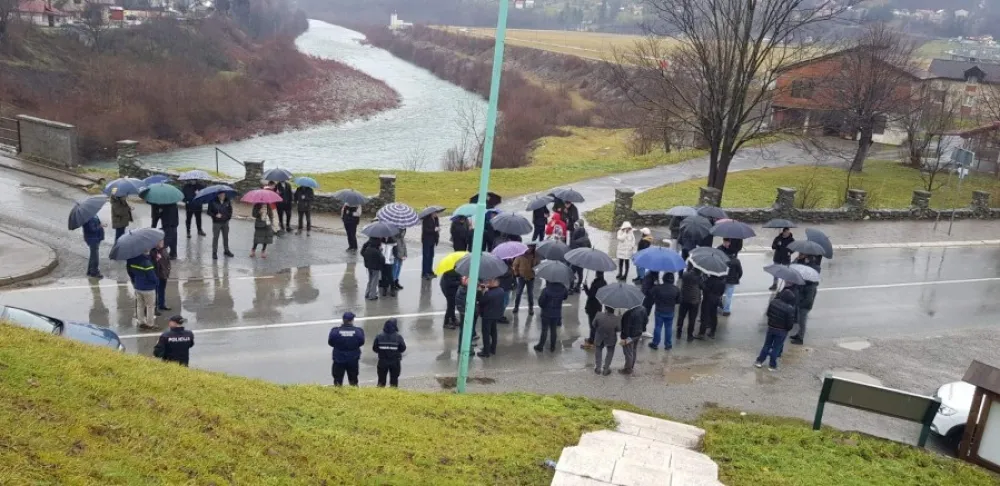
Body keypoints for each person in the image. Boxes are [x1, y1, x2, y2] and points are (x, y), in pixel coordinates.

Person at [755, 289, 797, 371]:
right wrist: (787, 329)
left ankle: (759, 361)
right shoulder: (790, 308)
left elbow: (768, 313)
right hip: (782, 331)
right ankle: (772, 365)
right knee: (776, 348)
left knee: (767, 345)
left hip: (771, 327)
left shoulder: (773, 302)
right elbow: (790, 323)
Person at [328, 312, 366, 386]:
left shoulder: (335, 331)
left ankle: (337, 396)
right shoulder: (358, 331)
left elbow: (330, 342)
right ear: (352, 320)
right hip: (353, 359)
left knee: (338, 382)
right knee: (353, 381)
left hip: (338, 359)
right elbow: (361, 342)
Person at [126, 250, 159, 329]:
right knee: (150, 306)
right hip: (148, 288)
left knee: (140, 305)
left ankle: (141, 322)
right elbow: (152, 276)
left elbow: (131, 272)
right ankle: (150, 324)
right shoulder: (147, 263)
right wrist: (157, 282)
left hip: (138, 286)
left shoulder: (132, 261)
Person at [534, 279, 569, 352]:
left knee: (544, 330)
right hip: (556, 313)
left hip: (546, 313)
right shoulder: (563, 288)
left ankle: (540, 346)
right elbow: (565, 297)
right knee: (553, 330)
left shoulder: (546, 289)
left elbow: (541, 302)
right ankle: (552, 346)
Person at [648, 273, 680, 350]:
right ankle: (668, 345)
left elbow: (650, 293)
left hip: (659, 310)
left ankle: (655, 343)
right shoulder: (676, 289)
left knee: (658, 327)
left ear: (663, 279)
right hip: (670, 311)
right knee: (668, 328)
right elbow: (679, 301)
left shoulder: (658, 288)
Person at [373, 318, 407, 387]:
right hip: (395, 362)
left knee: (381, 381)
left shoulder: (379, 336)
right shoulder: (398, 337)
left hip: (382, 361)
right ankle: (393, 396)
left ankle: (379, 396)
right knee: (394, 381)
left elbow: (375, 348)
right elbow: (403, 348)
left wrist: (382, 352)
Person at [478, 279, 504, 358]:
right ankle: (493, 349)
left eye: (489, 282)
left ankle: (486, 352)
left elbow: (481, 301)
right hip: (496, 314)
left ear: (493, 283)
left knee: (486, 333)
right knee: (494, 332)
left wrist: (481, 292)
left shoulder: (489, 294)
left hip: (487, 316)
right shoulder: (501, 290)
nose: (487, 283)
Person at [581, 272, 607, 349]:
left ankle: (592, 341)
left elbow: (590, 294)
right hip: (598, 306)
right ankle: (593, 338)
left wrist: (585, 286)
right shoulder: (604, 282)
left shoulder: (595, 283)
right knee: (595, 323)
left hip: (592, 306)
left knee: (592, 324)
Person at [619, 305, 647, 374]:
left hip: (629, 336)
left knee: (628, 352)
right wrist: (643, 329)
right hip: (638, 334)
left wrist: (624, 338)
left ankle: (628, 369)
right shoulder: (643, 309)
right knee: (633, 350)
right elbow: (645, 321)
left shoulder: (628, 313)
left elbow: (626, 327)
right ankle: (631, 366)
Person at [678, 264, 702, 342]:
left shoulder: (685, 274)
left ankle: (679, 332)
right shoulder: (699, 278)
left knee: (681, 316)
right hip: (694, 301)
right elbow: (703, 287)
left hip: (684, 299)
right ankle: (689, 335)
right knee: (692, 319)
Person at [593, 306, 620, 375]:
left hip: (599, 336)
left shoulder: (599, 314)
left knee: (598, 350)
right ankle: (606, 368)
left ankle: (598, 368)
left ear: (605, 308)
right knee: (610, 351)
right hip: (611, 338)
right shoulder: (617, 318)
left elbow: (593, 324)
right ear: (614, 309)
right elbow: (619, 329)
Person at [697, 273, 726, 339]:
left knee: (705, 316)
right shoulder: (722, 282)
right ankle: (712, 332)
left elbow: (705, 289)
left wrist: (703, 283)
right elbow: (722, 292)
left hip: (708, 300)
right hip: (716, 300)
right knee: (714, 316)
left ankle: (701, 333)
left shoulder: (709, 280)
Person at [512, 246, 539, 315]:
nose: (529, 249)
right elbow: (515, 265)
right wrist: (516, 273)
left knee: (530, 294)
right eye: (528, 247)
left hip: (531, 277)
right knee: (518, 293)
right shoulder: (520, 256)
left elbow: (538, 265)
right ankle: (516, 307)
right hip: (521, 277)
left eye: (531, 247)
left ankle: (531, 308)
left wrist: (535, 269)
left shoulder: (535, 256)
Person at [207, 192, 234, 260]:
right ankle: (214, 252)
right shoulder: (212, 201)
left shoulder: (227, 201)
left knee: (226, 237)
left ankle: (226, 250)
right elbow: (208, 212)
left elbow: (230, 210)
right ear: (218, 195)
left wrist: (228, 217)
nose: (222, 196)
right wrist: (215, 215)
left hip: (225, 222)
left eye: (224, 195)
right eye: (221, 195)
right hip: (216, 223)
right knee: (216, 238)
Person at [456, 276, 480, 344]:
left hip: (465, 312)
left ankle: (464, 345)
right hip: (468, 313)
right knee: (467, 330)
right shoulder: (468, 291)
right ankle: (467, 346)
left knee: (465, 330)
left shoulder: (462, 289)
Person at [150, 240, 171, 314]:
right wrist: (156, 260)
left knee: (162, 290)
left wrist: (168, 271)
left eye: (162, 241)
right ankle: (154, 308)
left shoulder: (164, 250)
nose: (162, 242)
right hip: (156, 274)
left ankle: (162, 305)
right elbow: (150, 264)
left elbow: (168, 260)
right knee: (154, 292)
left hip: (163, 274)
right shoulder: (152, 252)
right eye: (160, 241)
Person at [568, 221, 590, 293]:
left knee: (571, 273)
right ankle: (578, 287)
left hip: (575, 260)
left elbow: (572, 249)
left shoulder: (575, 241)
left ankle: (571, 288)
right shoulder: (587, 240)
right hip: (582, 260)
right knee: (580, 273)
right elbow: (589, 248)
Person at [721, 246, 742, 317]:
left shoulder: (724, 260)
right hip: (732, 281)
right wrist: (737, 278)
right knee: (728, 296)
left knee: (720, 294)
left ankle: (718, 306)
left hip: (723, 279)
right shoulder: (736, 261)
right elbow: (740, 272)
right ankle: (726, 311)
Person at [421, 212, 440, 279]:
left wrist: (437, 230)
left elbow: (437, 227)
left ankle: (429, 271)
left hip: (433, 240)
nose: (437, 214)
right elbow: (426, 230)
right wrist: (434, 230)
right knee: (426, 256)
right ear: (432, 213)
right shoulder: (426, 220)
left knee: (431, 256)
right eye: (436, 213)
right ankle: (424, 273)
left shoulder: (436, 219)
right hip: (427, 240)